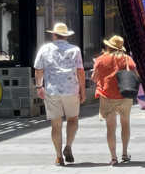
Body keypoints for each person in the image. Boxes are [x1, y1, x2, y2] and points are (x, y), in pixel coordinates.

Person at [34, 22, 86, 167]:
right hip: (71, 90)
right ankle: (68, 146)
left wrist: (39, 86)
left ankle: (58, 157)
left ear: (54, 35)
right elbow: (80, 71)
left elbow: (38, 70)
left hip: (52, 91)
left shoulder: (45, 49)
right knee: (73, 119)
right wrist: (83, 90)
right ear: (66, 36)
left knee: (55, 125)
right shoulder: (75, 50)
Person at [91, 35, 137, 165]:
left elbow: (94, 78)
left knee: (110, 128)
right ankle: (125, 153)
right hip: (125, 95)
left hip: (107, 96)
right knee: (125, 123)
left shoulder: (100, 59)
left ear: (108, 47)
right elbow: (136, 76)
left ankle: (113, 157)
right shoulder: (128, 59)